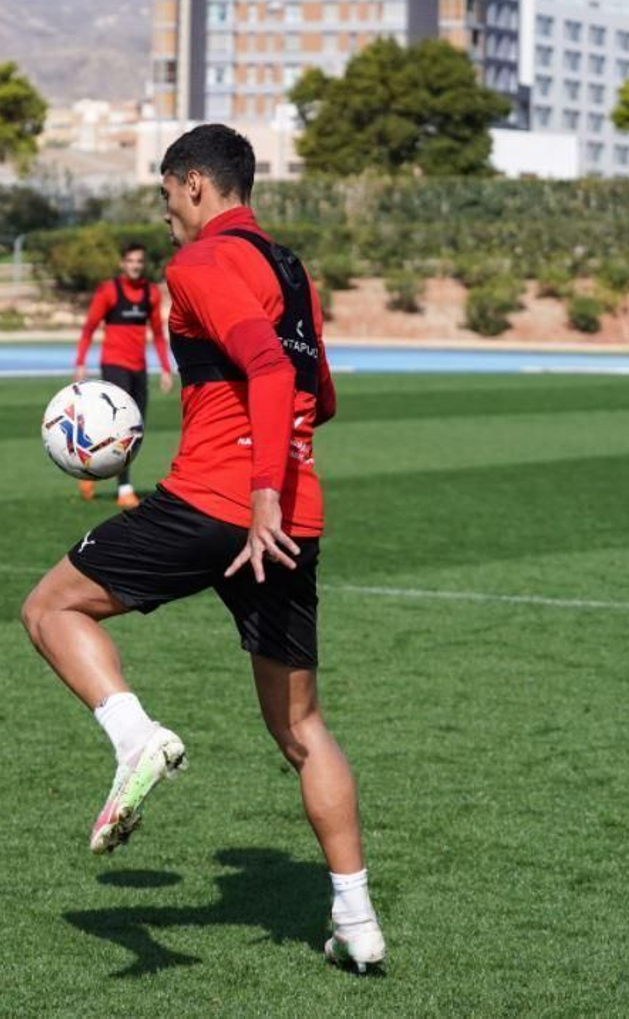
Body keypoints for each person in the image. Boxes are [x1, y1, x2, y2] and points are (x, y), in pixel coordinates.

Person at [19, 125, 386, 973]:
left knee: (50, 607)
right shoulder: (290, 269)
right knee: (301, 727)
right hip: (294, 516)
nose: (167, 216)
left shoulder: (198, 266)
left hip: (224, 504)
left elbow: (265, 366)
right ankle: (357, 920)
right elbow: (315, 395)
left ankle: (134, 736)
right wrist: (276, 482)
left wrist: (254, 490)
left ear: (192, 186)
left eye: (165, 196)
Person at [73, 241, 174, 508]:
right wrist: (80, 363)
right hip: (114, 366)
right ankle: (124, 489)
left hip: (138, 368)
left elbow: (158, 335)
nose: (135, 266)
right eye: (131, 261)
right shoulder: (109, 292)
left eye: (139, 262)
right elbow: (89, 328)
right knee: (122, 427)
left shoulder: (150, 294)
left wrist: (165, 368)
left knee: (137, 429)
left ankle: (90, 471)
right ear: (123, 263)